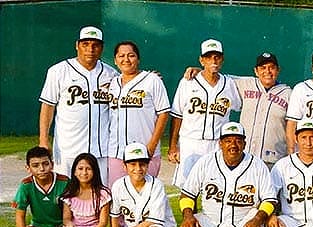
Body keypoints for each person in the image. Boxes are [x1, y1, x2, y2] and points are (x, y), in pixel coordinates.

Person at [178, 122, 274, 227]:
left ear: (244, 143)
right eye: (228, 141)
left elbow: (270, 200)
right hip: (211, 221)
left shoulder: (257, 165)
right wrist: (188, 216)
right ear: (220, 143)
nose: (233, 145)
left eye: (238, 141)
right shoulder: (206, 162)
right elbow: (187, 194)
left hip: (244, 221)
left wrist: (256, 220)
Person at [38, 26, 117, 185]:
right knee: (65, 196)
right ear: (77, 45)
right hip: (67, 149)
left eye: (95, 45)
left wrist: (150, 77)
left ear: (101, 47)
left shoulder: (111, 74)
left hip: (100, 149)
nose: (90, 49)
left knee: (99, 196)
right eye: (85, 44)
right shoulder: (58, 71)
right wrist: (43, 140)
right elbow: (48, 107)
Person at [168, 39, 242, 187]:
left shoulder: (230, 84)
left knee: (216, 186)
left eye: (217, 57)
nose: (213, 60)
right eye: (208, 57)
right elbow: (177, 116)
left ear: (222, 59)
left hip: (217, 144)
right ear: (201, 60)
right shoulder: (188, 82)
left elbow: (240, 104)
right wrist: (173, 146)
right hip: (191, 142)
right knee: (188, 186)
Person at [107, 41, 170, 185]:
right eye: (121, 56)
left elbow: (164, 113)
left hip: (145, 152)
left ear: (138, 59)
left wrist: (152, 146)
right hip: (116, 152)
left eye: (131, 55)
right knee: (117, 198)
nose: (126, 60)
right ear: (115, 61)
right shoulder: (113, 83)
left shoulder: (152, 80)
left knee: (146, 198)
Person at [110, 143, 177, 227]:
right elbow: (114, 216)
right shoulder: (118, 186)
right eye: (132, 164)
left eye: (142, 164)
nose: (138, 168)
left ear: (147, 165)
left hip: (158, 226)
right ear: (124, 166)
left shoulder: (156, 185)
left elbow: (154, 219)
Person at [12, 147, 70, 227]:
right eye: (36, 165)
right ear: (28, 168)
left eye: (45, 164)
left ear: (52, 164)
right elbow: (19, 216)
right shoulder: (26, 185)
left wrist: (66, 226)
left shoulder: (63, 182)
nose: (42, 169)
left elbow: (71, 210)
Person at [235, 53, 292, 169]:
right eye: (263, 68)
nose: (267, 71)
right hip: (244, 158)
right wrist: (198, 71)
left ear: (278, 70)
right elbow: (218, 78)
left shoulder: (288, 93)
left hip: (274, 161)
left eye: (271, 67)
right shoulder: (245, 84)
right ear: (256, 71)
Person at [60, 153, 112, 227]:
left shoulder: (103, 194)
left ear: (95, 171)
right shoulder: (69, 193)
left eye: (88, 169)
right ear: (74, 171)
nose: (84, 173)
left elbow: (103, 223)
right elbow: (66, 218)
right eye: (80, 168)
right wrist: (68, 225)